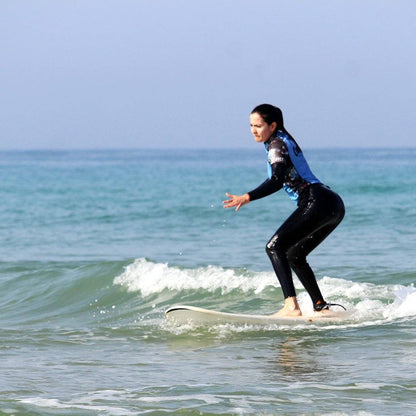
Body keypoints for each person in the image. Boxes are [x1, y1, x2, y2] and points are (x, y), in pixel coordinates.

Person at [223, 104, 345, 317]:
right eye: (251, 125)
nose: (253, 130)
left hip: (316, 201)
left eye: (258, 126)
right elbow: (277, 176)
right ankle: (320, 305)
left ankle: (291, 306)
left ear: (273, 125)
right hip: (332, 204)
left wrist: (248, 196)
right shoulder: (281, 140)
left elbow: (277, 180)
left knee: (274, 247)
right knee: (295, 254)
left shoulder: (276, 144)